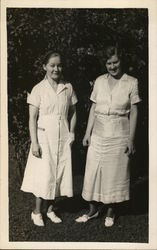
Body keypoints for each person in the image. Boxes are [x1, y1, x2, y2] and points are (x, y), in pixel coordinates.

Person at [75, 45, 141, 227]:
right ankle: (92, 210)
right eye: (108, 63)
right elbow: (93, 109)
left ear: (122, 61)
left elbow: (134, 112)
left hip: (119, 133)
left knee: (114, 174)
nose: (112, 67)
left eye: (115, 62)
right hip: (98, 133)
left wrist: (131, 139)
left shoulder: (131, 82)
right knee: (92, 172)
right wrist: (87, 133)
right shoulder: (99, 81)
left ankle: (111, 211)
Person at [21, 52, 77, 226]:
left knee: (58, 173)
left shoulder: (68, 87)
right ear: (44, 66)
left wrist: (73, 132)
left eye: (59, 65)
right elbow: (32, 118)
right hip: (44, 137)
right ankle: (37, 212)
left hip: (62, 137)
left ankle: (50, 210)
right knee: (43, 174)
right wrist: (34, 142)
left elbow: (73, 112)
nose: (56, 69)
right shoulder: (38, 89)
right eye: (52, 65)